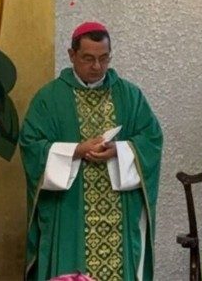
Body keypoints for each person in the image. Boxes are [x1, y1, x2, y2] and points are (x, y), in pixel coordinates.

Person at [19, 22, 163, 280]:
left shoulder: (129, 95)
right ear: (71, 55)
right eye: (88, 58)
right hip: (69, 212)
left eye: (103, 58)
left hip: (119, 214)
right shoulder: (49, 98)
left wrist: (119, 150)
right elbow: (31, 144)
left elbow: (151, 139)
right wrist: (75, 151)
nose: (97, 66)